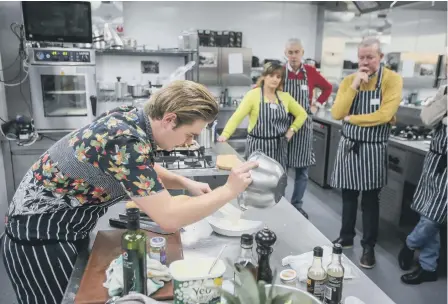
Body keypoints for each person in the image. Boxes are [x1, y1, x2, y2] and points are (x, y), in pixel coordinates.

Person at [2, 80, 258, 304]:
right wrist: (228, 189)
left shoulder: (131, 119)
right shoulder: (123, 139)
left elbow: (142, 167)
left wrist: (185, 183)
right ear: (169, 119)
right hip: (39, 239)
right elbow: (168, 217)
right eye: (190, 135)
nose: (189, 143)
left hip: (61, 229)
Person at [330, 37, 403, 269]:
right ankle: (346, 237)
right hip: (349, 146)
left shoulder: (392, 80)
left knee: (370, 201)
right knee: (348, 196)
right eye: (361, 57)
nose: (365, 62)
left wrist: (353, 118)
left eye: (370, 57)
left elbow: (384, 114)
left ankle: (369, 246)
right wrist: (353, 87)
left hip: (373, 148)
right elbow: (337, 113)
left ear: (380, 57)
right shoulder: (349, 80)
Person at [217, 62, 308, 171]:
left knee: (277, 181)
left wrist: (292, 130)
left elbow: (302, 114)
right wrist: (225, 135)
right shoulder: (253, 95)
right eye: (271, 75)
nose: (275, 79)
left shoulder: (285, 97)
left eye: (278, 77)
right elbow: (236, 118)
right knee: (255, 181)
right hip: (257, 147)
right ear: (264, 76)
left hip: (278, 148)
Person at [398, 84, 447, 285]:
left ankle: (410, 244)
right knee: (427, 211)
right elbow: (427, 119)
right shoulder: (444, 90)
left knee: (435, 215)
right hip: (435, 160)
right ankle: (428, 267)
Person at [283, 38, 333, 219]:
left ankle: (297, 205)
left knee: (302, 171)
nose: (293, 56)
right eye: (290, 52)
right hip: (283, 126)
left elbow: (328, 88)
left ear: (302, 52)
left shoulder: (310, 72)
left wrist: (316, 105)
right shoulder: (280, 73)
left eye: (296, 52)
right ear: (285, 53)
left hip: (303, 126)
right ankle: (280, 204)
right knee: (282, 168)